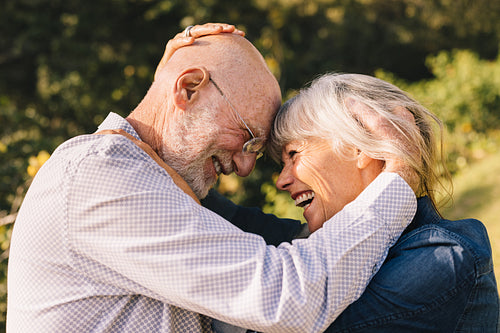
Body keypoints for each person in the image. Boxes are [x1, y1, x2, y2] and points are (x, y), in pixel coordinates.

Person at [7, 25, 418, 333]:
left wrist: (172, 71)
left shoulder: (144, 177)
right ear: (188, 89)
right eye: (247, 138)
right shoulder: (99, 176)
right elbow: (286, 296)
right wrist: (399, 175)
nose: (243, 166)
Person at [207, 72, 499, 331]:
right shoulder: (337, 248)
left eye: (294, 154)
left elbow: (294, 320)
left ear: (361, 146)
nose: (281, 180)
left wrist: (399, 168)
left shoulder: (442, 258)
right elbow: (223, 217)